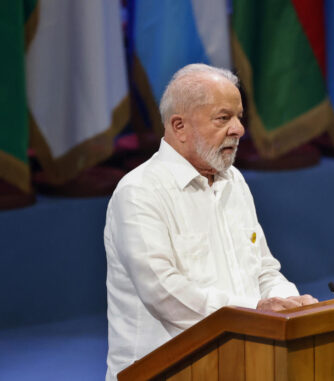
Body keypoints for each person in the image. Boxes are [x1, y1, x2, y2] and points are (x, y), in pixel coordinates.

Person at [104, 63, 317, 380]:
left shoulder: (234, 181)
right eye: (223, 118)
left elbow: (263, 270)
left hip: (239, 362)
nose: (239, 129)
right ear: (179, 126)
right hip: (164, 372)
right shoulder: (139, 193)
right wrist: (256, 311)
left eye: (239, 117)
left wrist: (291, 304)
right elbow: (164, 293)